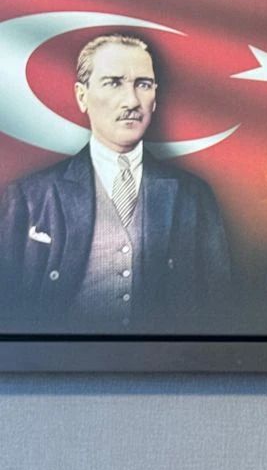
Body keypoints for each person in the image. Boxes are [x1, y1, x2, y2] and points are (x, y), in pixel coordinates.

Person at [0, 34, 231, 331]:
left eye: (143, 84)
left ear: (155, 97)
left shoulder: (193, 197)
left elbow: (218, 312)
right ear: (82, 96)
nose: (132, 101)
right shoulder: (29, 197)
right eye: (113, 83)